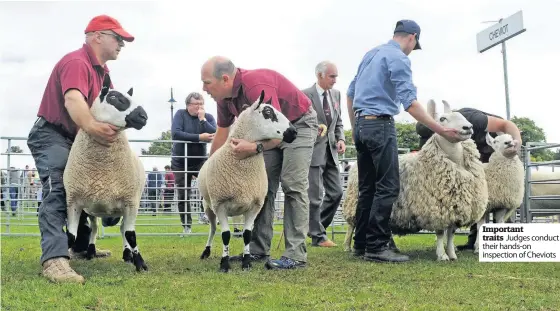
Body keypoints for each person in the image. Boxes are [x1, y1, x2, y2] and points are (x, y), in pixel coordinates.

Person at [26, 15, 134, 283]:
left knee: (85, 184)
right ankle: (54, 259)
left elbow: (110, 110)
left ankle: (81, 248)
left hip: (78, 136)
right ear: (97, 36)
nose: (122, 44)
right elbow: (73, 99)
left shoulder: (103, 73)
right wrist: (92, 127)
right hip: (52, 134)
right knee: (60, 189)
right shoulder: (77, 62)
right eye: (118, 38)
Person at [346, 20, 460, 263]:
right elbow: (410, 104)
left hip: (362, 124)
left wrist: (357, 129)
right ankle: (377, 246)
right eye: (414, 45)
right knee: (388, 186)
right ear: (413, 37)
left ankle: (362, 243)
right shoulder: (398, 58)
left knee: (367, 187)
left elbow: (350, 93)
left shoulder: (370, 54)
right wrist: (441, 130)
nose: (412, 50)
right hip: (381, 125)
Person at [201, 56, 318, 270]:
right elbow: (221, 134)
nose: (203, 88)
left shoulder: (255, 86)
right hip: (265, 137)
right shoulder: (224, 99)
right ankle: (258, 249)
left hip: (297, 125)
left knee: (293, 184)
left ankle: (295, 254)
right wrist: (210, 170)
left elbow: (275, 126)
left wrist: (254, 148)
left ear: (225, 79)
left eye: (207, 82)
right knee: (263, 188)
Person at [416, 107, 522, 250]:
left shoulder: (474, 119)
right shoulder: (430, 138)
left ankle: (503, 244)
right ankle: (474, 241)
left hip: (494, 150)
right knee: (475, 200)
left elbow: (506, 125)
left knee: (500, 199)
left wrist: (517, 141)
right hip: (469, 155)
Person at [302, 61, 345, 247]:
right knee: (315, 196)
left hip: (332, 152)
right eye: (332, 76)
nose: (335, 80)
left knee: (336, 193)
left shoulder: (336, 95)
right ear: (320, 76)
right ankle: (318, 236)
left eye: (336, 76)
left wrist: (341, 138)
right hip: (313, 151)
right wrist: (313, 132)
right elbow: (300, 121)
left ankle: (316, 229)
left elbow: (339, 121)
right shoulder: (304, 95)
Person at [171, 92, 216, 233]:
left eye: (201, 104)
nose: (199, 107)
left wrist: (202, 120)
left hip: (200, 161)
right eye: (196, 104)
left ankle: (206, 215)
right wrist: (199, 137)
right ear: (188, 105)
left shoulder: (208, 117)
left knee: (209, 186)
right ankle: (187, 226)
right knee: (183, 193)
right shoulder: (180, 114)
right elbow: (176, 133)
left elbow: (215, 133)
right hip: (180, 161)